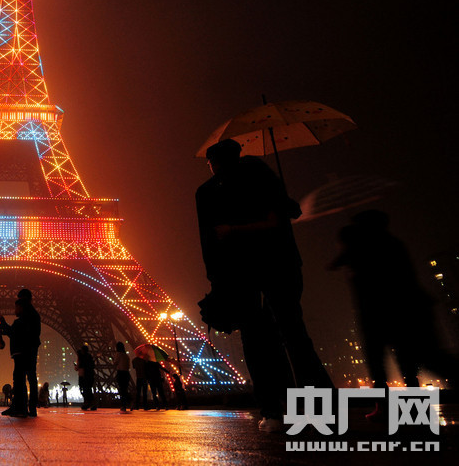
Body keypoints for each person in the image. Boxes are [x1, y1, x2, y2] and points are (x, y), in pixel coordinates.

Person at [195, 139, 332, 432]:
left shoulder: (209, 191)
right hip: (277, 266)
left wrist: (216, 279)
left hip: (243, 273)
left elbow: (210, 243)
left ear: (213, 163)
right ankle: (318, 407)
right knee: (292, 336)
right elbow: (285, 217)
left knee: (259, 342)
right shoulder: (263, 178)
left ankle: (273, 409)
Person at [331, 210, 459, 417]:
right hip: (400, 312)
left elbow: (335, 264)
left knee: (389, 363)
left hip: (383, 314)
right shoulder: (388, 244)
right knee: (407, 362)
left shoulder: (367, 249)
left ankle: (387, 408)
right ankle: (406, 407)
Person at [0, 290, 41, 417]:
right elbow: (16, 332)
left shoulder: (22, 320)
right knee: (30, 378)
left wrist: (3, 323)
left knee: (19, 379)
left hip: (22, 353)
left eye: (16, 306)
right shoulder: (33, 316)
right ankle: (29, 408)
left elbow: (13, 333)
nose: (15, 309)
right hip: (30, 351)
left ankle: (19, 407)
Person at [75, 344, 96, 410]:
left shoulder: (81, 358)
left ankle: (87, 403)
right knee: (88, 390)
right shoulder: (89, 357)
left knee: (84, 390)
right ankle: (91, 403)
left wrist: (76, 366)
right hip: (90, 375)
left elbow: (77, 368)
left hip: (82, 376)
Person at [113, 342, 131, 412]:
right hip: (126, 373)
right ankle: (127, 402)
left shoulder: (118, 354)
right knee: (125, 389)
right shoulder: (126, 356)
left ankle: (124, 404)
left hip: (121, 373)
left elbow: (115, 362)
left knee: (122, 389)